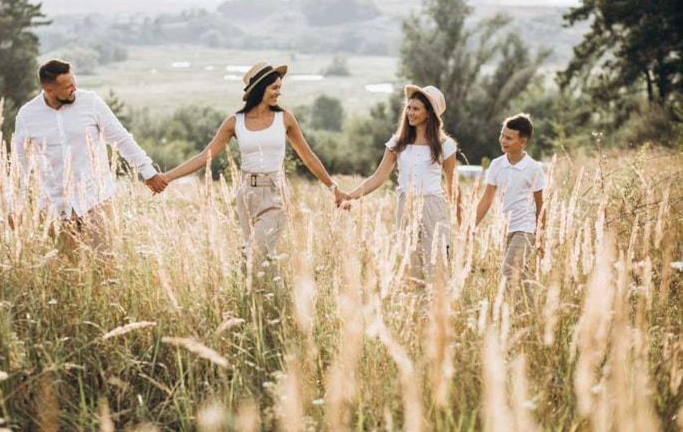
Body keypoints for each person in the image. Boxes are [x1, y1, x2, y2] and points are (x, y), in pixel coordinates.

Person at [161, 62, 347, 265]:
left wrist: (333, 187)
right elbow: (205, 156)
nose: (279, 93)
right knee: (258, 259)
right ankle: (267, 295)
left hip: (275, 193)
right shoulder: (235, 122)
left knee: (254, 257)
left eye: (280, 88)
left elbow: (308, 156)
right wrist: (167, 177)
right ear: (260, 89)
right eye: (274, 88)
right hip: (246, 195)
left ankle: (259, 291)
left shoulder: (285, 119)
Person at [13, 59, 167, 252]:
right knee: (69, 271)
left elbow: (121, 138)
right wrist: (15, 206)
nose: (74, 89)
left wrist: (148, 172)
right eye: (68, 86)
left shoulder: (91, 102)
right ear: (49, 90)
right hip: (55, 206)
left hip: (96, 198)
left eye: (74, 82)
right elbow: (21, 164)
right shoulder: (27, 116)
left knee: (105, 264)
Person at [345, 84, 459, 281]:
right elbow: (378, 177)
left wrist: (462, 221)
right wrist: (349, 196)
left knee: (436, 267)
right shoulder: (398, 142)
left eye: (416, 109)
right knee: (411, 267)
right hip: (405, 204)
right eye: (409, 107)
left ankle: (436, 309)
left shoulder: (445, 145)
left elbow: (453, 186)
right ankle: (417, 309)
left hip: (433, 205)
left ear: (429, 113)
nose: (410, 113)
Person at [475, 113, 546, 291]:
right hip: (505, 228)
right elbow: (487, 199)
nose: (503, 141)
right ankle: (525, 315)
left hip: (526, 228)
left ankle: (516, 314)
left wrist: (541, 236)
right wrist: (471, 225)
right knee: (520, 277)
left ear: (523, 141)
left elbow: (541, 205)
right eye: (502, 136)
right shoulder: (496, 165)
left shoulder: (533, 168)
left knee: (509, 270)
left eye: (509, 138)